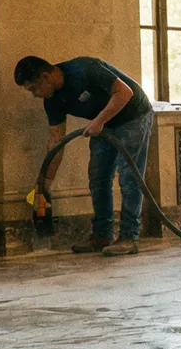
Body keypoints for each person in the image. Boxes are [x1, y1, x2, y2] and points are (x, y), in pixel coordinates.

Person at [15, 54, 155, 256]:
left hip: (133, 115)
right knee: (98, 177)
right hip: (104, 122)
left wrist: (99, 121)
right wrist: (45, 182)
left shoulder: (85, 69)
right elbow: (56, 142)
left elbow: (125, 92)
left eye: (33, 88)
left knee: (129, 177)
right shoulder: (52, 100)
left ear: (45, 77)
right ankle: (102, 235)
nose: (34, 95)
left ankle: (128, 237)